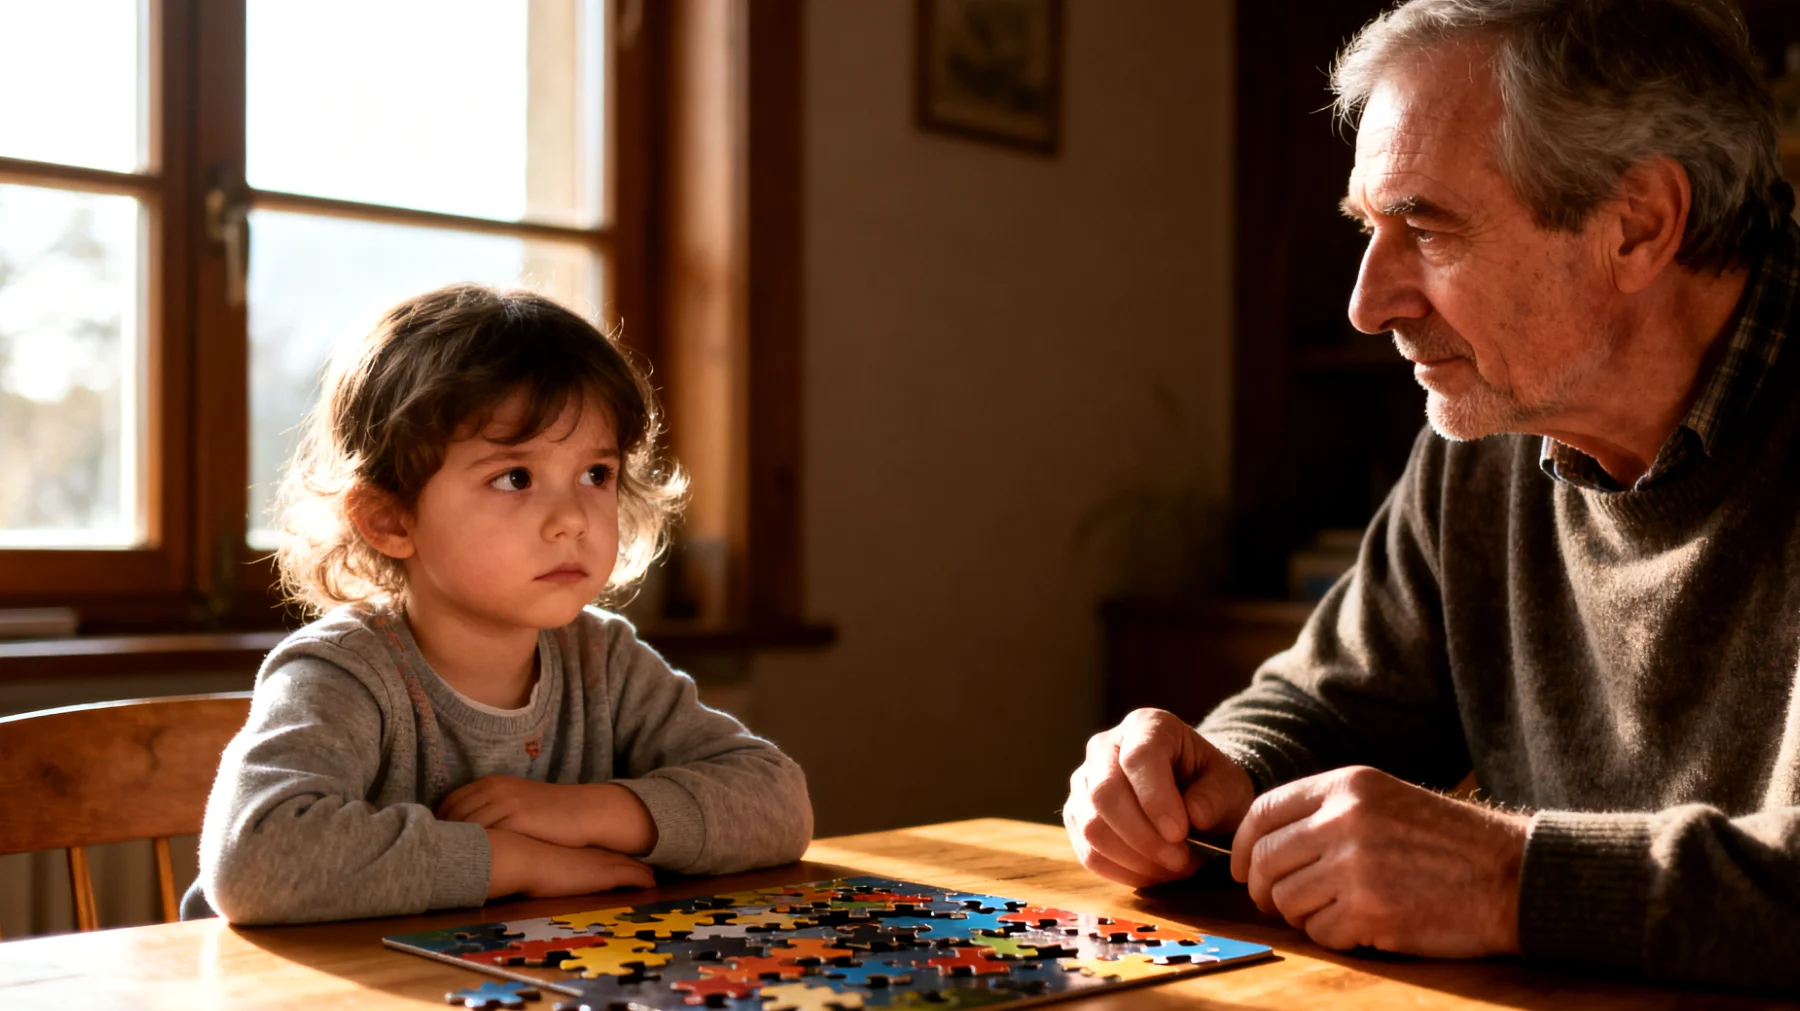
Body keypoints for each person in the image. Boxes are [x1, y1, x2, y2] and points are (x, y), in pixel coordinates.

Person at [1064, 0, 1800, 989]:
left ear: (1640, 225)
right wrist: (1216, 775)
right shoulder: (1495, 420)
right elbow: (1339, 694)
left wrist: (1512, 880)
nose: (1370, 303)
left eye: (1428, 229)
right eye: (1370, 228)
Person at [187, 284, 812, 924]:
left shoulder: (604, 659)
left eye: (596, 473)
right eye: (514, 477)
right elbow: (254, 861)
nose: (572, 518)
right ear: (389, 519)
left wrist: (581, 813)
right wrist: (520, 861)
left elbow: (779, 804)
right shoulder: (342, 673)